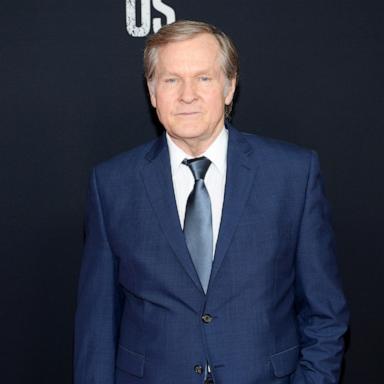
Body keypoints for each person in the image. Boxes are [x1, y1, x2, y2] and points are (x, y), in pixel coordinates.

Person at [74, 20, 349, 384]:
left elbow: (324, 314)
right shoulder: (112, 184)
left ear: (229, 87)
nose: (187, 95)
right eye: (171, 80)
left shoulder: (292, 175)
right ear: (153, 92)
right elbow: (97, 325)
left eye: (203, 78)